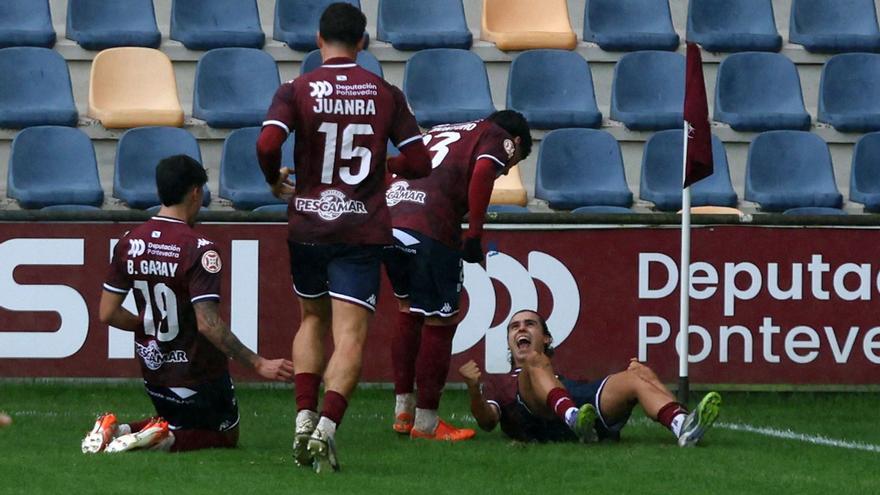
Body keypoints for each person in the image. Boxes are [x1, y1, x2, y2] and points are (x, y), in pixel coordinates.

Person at [256, 2, 431, 473]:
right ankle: (327, 429)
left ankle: (302, 418)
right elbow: (420, 162)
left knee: (310, 319)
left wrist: (275, 180)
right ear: (363, 42)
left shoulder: (296, 89)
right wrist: (382, 166)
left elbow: (267, 144)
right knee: (350, 334)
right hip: (359, 225)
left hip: (309, 223)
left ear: (318, 39)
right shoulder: (384, 93)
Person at [83, 155, 294, 455]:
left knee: (178, 421)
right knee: (224, 436)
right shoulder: (199, 249)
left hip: (154, 368)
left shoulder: (129, 242)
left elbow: (107, 312)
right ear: (196, 192)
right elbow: (208, 324)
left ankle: (117, 430)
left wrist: (149, 326)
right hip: (197, 369)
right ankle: (159, 441)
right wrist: (258, 363)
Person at [383, 111, 532, 441]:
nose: (505, 170)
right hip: (431, 226)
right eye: (510, 164)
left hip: (391, 219)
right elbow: (482, 172)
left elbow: (392, 164)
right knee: (441, 321)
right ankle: (426, 422)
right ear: (516, 142)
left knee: (408, 311)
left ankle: (403, 409)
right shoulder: (498, 136)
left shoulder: (439, 129)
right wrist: (475, 234)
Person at [459, 309, 722, 446]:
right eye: (515, 327)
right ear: (509, 340)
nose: (521, 329)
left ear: (546, 338)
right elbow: (487, 422)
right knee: (533, 364)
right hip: (540, 417)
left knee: (636, 373)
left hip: (577, 404)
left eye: (529, 324)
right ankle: (574, 419)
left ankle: (682, 427)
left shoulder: (556, 375)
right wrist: (473, 389)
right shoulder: (500, 382)